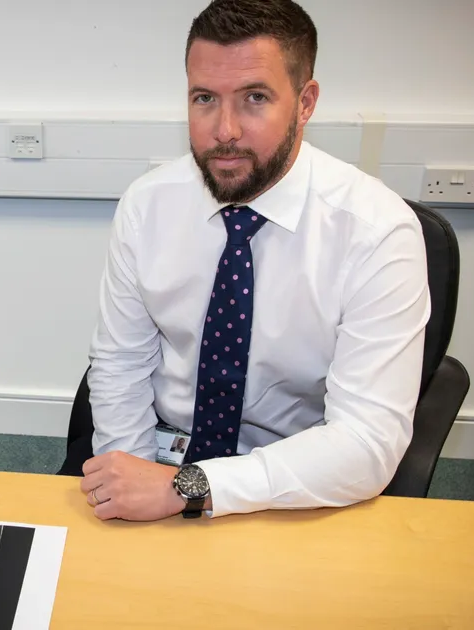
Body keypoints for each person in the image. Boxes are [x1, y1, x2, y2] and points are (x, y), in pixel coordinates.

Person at [73, 0, 430, 521]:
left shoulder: (377, 231)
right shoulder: (148, 205)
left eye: (254, 98)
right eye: (204, 99)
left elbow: (366, 440)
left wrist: (189, 488)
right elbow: (120, 364)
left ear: (305, 103)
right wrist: (131, 476)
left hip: (292, 480)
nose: (224, 130)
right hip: (157, 455)